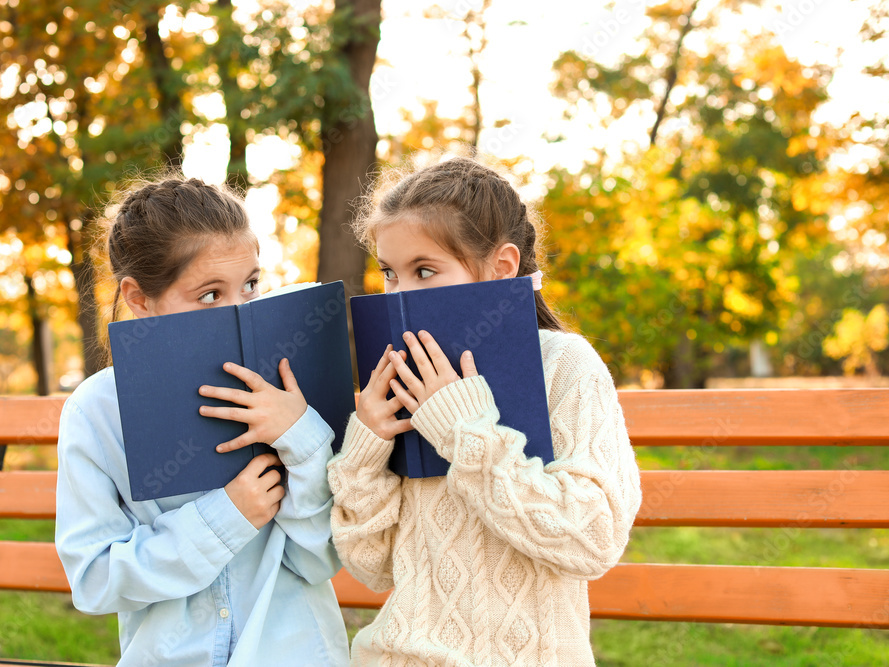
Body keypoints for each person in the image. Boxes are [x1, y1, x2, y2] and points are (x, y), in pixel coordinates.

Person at [327, 156, 642, 666]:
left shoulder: (565, 366)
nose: (401, 294)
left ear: (501, 268)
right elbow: (375, 567)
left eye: (424, 271)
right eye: (390, 273)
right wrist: (366, 449)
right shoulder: (403, 376)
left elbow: (594, 539)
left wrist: (465, 432)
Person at [55, 176, 348, 666]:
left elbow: (319, 558)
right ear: (139, 298)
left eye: (250, 286)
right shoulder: (97, 412)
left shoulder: (287, 389)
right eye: (211, 295)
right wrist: (226, 517)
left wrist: (303, 438)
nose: (238, 312)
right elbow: (94, 581)